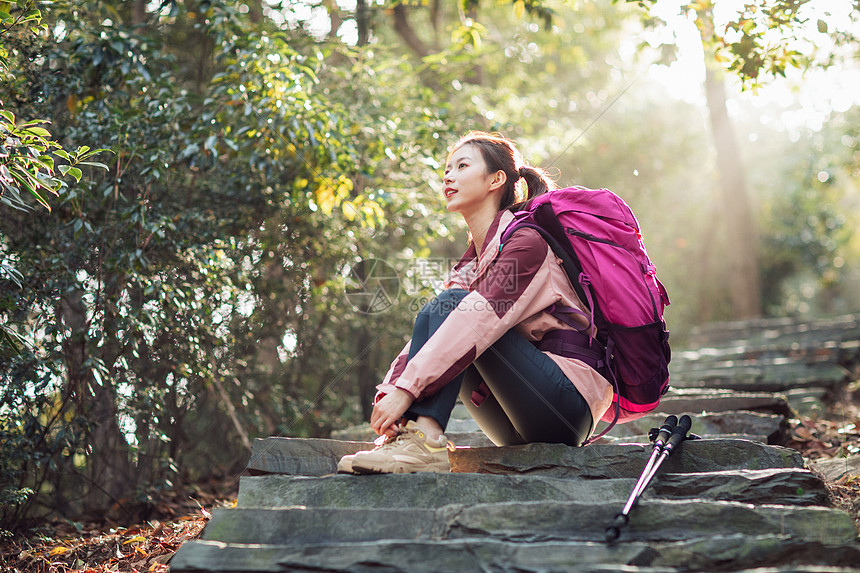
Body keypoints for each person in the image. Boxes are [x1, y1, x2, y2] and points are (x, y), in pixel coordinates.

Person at [339, 131, 614, 475]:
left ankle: (426, 443)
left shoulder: (526, 243)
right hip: (514, 419)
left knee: (455, 309)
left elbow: (475, 319)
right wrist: (393, 391)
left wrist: (409, 392)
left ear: (496, 179)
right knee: (445, 310)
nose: (448, 176)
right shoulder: (474, 263)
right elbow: (435, 333)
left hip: (565, 406)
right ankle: (411, 438)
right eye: (446, 169)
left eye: (462, 166)